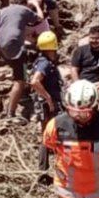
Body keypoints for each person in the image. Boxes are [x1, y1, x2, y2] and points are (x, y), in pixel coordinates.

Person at [0, 0, 41, 120]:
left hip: (2, 46)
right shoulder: (24, 9)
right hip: (15, 47)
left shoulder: (3, 10)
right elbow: (40, 18)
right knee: (19, 81)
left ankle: (23, 83)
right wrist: (36, 5)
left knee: (20, 65)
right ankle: (11, 113)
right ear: (24, 3)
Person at [31, 31, 64, 172]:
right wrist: (48, 98)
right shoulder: (44, 63)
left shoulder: (42, 61)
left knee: (48, 135)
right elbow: (34, 81)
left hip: (47, 104)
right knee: (53, 135)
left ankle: (43, 170)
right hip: (49, 105)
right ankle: (48, 169)